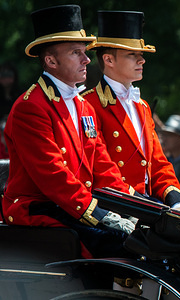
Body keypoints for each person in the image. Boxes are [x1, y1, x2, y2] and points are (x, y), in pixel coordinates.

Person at [1, 5, 137, 259]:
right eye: (77, 53)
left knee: (149, 237)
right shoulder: (30, 107)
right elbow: (54, 176)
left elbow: (103, 167)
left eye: (84, 52)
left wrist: (139, 206)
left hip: (73, 204)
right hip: (39, 208)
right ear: (51, 61)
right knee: (125, 243)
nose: (86, 59)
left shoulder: (83, 105)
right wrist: (100, 215)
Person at [82, 10, 180, 207]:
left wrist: (176, 200)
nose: (142, 60)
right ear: (109, 60)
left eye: (141, 54)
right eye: (132, 54)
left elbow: (158, 164)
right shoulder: (88, 105)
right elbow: (101, 171)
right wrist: (142, 204)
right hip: (115, 207)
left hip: (147, 205)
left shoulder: (143, 106)